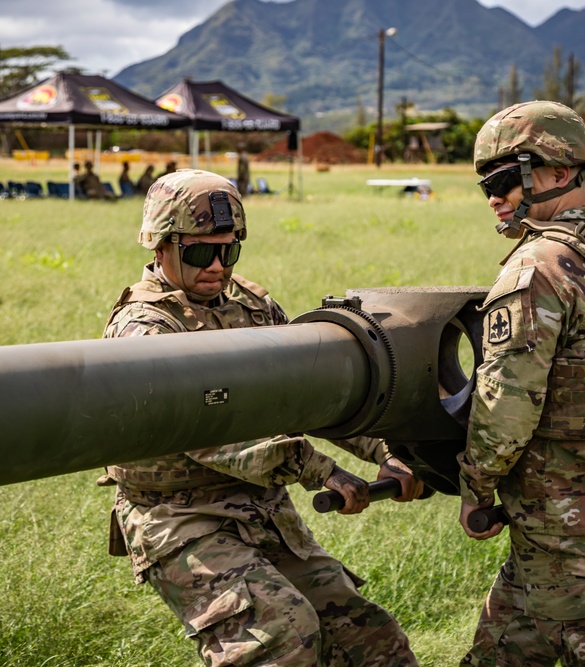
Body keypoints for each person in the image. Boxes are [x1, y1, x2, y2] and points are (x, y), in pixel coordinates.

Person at [99, 168, 421, 667]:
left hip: (261, 507)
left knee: (368, 639)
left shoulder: (252, 307)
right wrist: (324, 471)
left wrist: (387, 452)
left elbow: (312, 394)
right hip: (182, 517)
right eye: (201, 252)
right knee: (280, 638)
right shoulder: (143, 332)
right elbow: (207, 433)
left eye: (229, 251)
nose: (218, 266)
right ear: (159, 247)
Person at [457, 101, 585, 667]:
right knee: (503, 646)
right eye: (486, 185)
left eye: (505, 179)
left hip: (566, 517)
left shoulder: (539, 266)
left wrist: (476, 486)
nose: (494, 197)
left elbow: (506, 402)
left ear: (557, 172)